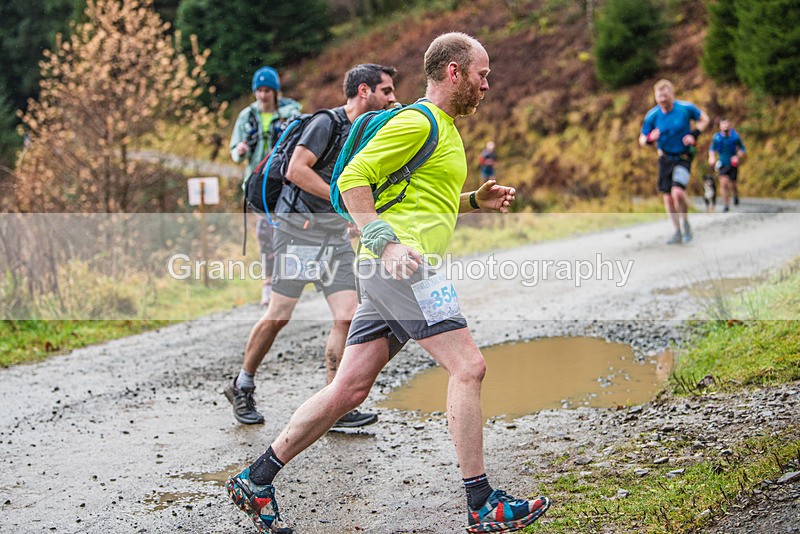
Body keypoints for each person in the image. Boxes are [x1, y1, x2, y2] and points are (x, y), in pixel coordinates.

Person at [226, 33, 550, 534]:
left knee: (350, 387)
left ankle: (257, 478)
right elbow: (353, 178)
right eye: (482, 74)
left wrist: (473, 202)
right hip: (402, 267)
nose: (488, 85)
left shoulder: (440, 128)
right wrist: (388, 243)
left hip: (387, 269)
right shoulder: (418, 120)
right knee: (469, 367)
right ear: (454, 72)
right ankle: (481, 502)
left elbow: (413, 198)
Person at [223, 64, 398, 429]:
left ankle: (334, 405)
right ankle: (242, 384)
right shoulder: (326, 123)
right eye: (387, 91)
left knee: (347, 315)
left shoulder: (364, 133)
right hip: (297, 234)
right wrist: (341, 202)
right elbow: (296, 170)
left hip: (332, 237)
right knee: (279, 314)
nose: (393, 98)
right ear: (364, 91)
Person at [230, 66, 302, 307]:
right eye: (259, 90)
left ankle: (290, 279)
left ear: (275, 91)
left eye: (267, 90)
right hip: (256, 183)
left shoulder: (290, 113)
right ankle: (268, 284)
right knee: (264, 234)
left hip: (283, 181)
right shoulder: (246, 117)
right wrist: (239, 151)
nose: (263, 95)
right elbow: (235, 154)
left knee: (288, 230)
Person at [639, 79, 710, 244]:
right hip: (664, 158)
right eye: (659, 96)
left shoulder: (685, 109)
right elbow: (642, 139)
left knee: (677, 192)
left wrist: (694, 134)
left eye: (665, 95)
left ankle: (685, 222)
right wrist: (650, 138)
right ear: (655, 97)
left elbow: (704, 119)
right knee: (668, 198)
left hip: (683, 157)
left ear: (672, 94)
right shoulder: (652, 116)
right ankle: (677, 231)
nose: (663, 99)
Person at [708, 117, 746, 212]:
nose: (725, 126)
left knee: (733, 183)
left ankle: (735, 194)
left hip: (733, 163)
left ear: (730, 125)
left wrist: (737, 156)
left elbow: (742, 149)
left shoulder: (735, 137)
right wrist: (712, 157)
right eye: (723, 124)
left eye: (727, 124)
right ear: (720, 126)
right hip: (722, 163)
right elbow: (712, 149)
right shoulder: (716, 137)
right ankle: (726, 204)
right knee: (723, 183)